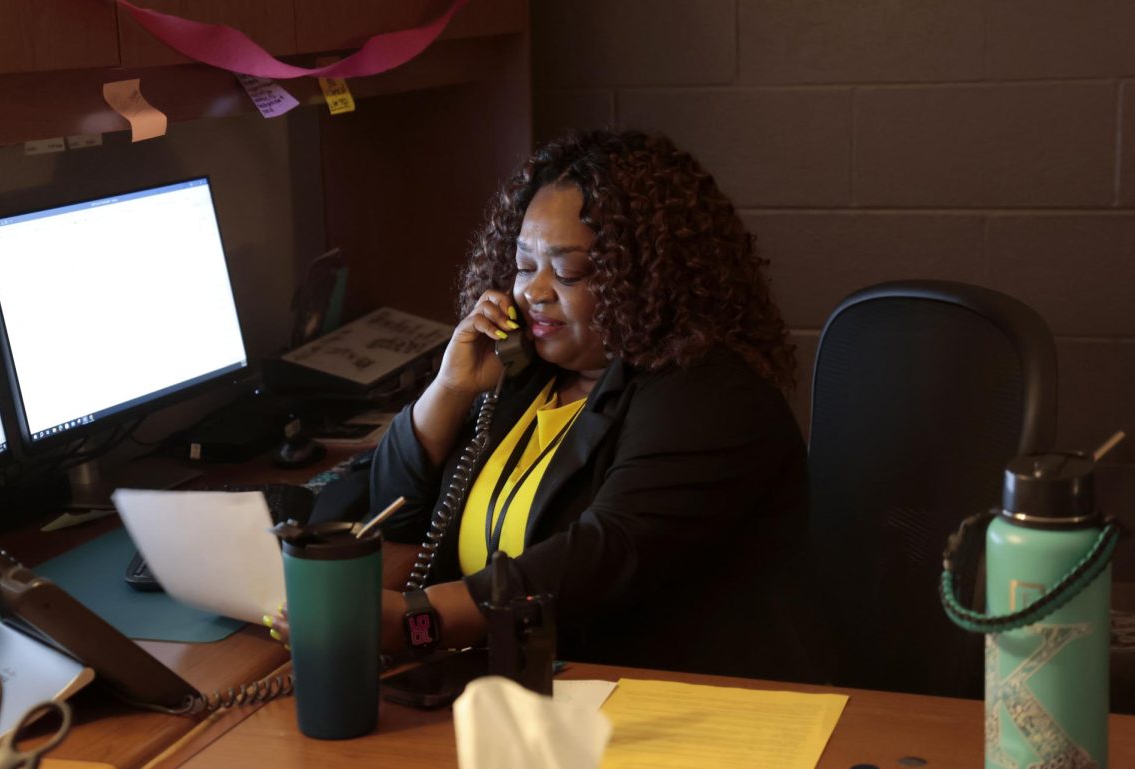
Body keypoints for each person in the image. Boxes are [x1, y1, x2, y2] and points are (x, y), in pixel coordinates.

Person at [280, 128, 812, 680]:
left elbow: (600, 557)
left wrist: (419, 622)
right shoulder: (527, 375)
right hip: (519, 691)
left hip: (669, 702)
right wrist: (450, 390)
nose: (534, 291)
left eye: (568, 272)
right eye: (524, 265)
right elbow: (390, 512)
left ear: (651, 279)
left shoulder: (708, 396)